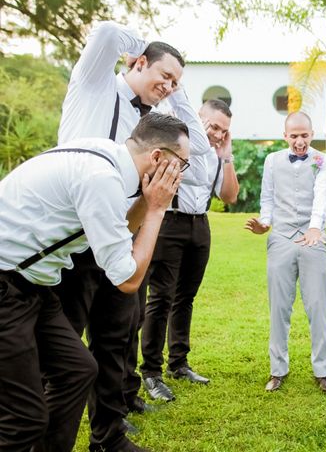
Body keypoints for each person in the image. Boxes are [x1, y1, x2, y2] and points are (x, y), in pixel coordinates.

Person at [53, 21, 210, 452]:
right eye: (164, 76)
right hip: (73, 239)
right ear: (138, 62)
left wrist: (174, 90)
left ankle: (108, 435)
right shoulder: (94, 86)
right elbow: (105, 32)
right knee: (67, 347)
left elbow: (198, 147)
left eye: (176, 82)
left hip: (124, 233)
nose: (169, 86)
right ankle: (52, 436)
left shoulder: (157, 119)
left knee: (117, 336)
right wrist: (145, 49)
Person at [0, 113, 188, 452]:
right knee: (23, 418)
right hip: (6, 285)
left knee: (77, 370)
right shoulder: (101, 178)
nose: (180, 177)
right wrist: (158, 210)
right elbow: (128, 280)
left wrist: (147, 202)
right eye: (181, 166)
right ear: (158, 158)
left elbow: (120, 233)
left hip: (33, 286)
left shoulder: (104, 158)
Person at [140, 99, 239, 401]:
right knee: (161, 297)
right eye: (213, 126)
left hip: (200, 225)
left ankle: (178, 363)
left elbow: (230, 195)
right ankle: (151, 372)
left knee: (186, 298)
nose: (218, 134)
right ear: (198, 119)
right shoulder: (178, 144)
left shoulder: (216, 155)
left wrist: (226, 155)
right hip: (169, 222)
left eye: (224, 130)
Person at [245, 111, 326, 394]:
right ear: (285, 135)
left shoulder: (323, 160)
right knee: (279, 307)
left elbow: (322, 193)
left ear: (312, 134)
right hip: (281, 238)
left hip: (314, 239)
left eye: (304, 136)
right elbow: (267, 198)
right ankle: (277, 370)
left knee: (318, 306)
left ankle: (323, 372)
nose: (299, 142)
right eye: (294, 136)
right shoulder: (272, 161)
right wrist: (265, 223)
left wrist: (314, 227)